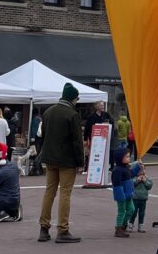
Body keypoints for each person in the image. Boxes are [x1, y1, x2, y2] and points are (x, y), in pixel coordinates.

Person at [37, 83, 84, 244]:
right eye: (77, 98)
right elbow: (77, 141)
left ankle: (44, 228)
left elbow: (43, 137)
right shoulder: (72, 114)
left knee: (49, 192)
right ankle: (63, 229)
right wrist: (80, 162)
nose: (77, 101)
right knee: (65, 193)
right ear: (73, 98)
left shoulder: (48, 112)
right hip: (67, 160)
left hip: (50, 158)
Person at [110, 147, 135, 238]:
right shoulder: (117, 170)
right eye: (127, 156)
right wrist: (120, 195)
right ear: (120, 158)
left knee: (131, 209)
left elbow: (131, 174)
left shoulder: (126, 168)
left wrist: (138, 167)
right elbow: (117, 184)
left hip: (128, 194)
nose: (129, 158)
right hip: (122, 195)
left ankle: (123, 225)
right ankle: (119, 229)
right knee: (122, 211)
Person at [84, 101, 112, 169]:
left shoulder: (106, 115)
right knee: (92, 154)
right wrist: (85, 140)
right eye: (101, 105)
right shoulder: (91, 117)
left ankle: (102, 167)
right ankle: (89, 168)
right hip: (93, 139)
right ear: (96, 107)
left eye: (103, 105)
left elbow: (111, 124)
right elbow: (87, 129)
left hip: (104, 139)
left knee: (103, 154)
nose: (103, 107)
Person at [128, 162, 152, 233]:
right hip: (135, 198)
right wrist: (137, 180)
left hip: (143, 199)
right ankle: (130, 224)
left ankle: (141, 226)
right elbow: (131, 184)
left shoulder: (147, 178)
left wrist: (145, 181)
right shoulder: (133, 178)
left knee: (142, 213)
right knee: (134, 212)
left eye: (143, 169)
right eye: (140, 170)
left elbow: (149, 186)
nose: (142, 171)